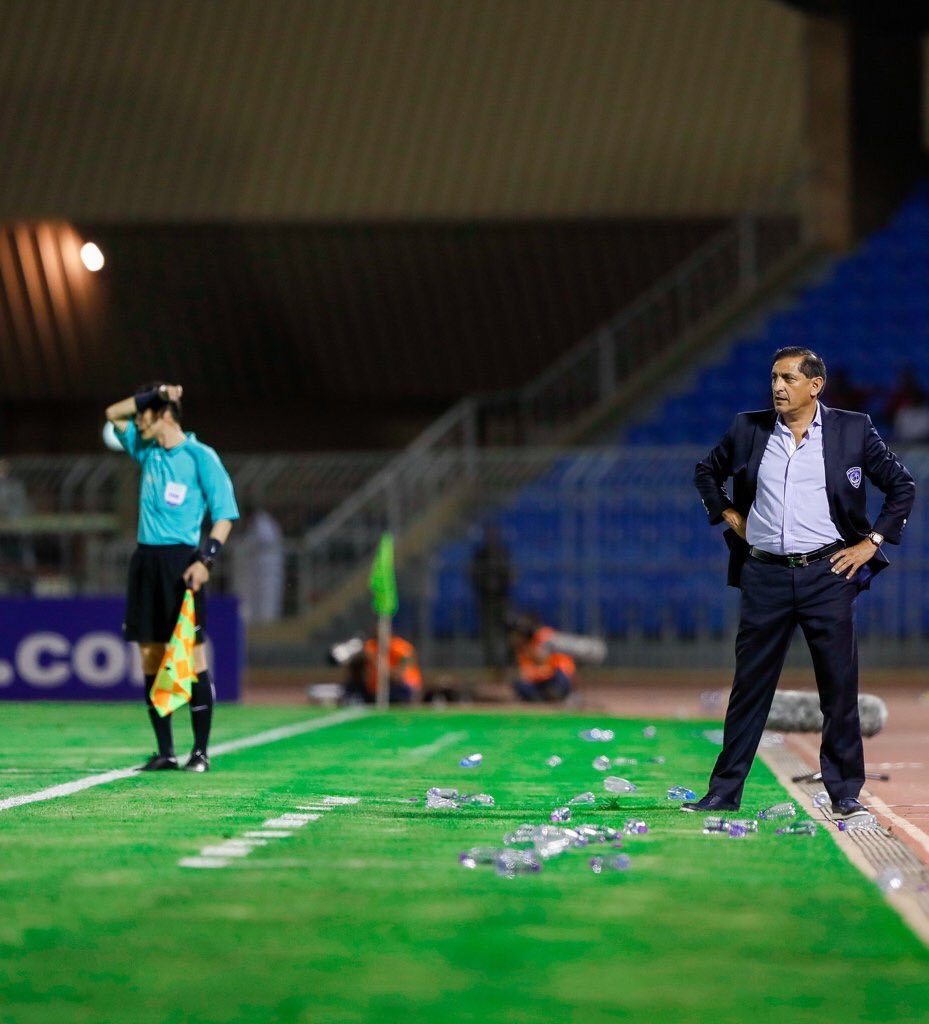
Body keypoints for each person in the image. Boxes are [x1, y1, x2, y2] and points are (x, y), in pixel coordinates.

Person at [689, 347, 915, 818]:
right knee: (749, 688)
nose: (777, 386)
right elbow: (706, 471)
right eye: (773, 377)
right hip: (765, 575)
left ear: (815, 386)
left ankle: (845, 792)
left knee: (838, 687)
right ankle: (723, 792)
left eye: (788, 378)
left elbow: (902, 486)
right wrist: (730, 514)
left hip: (829, 575)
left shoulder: (852, 429)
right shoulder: (748, 428)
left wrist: (872, 542)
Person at [105, 382, 239, 772]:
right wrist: (154, 391)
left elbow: (225, 513)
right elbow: (113, 412)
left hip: (182, 563)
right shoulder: (146, 450)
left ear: (163, 415)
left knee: (190, 654)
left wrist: (206, 560)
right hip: (145, 562)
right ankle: (165, 751)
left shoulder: (200, 456)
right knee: (150, 656)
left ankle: (200, 752)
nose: (136, 420)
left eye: (143, 412)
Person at [470, 523, 513, 676]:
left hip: (501, 599)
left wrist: (500, 585)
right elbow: (473, 575)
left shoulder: (503, 553)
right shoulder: (481, 555)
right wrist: (486, 584)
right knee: (489, 634)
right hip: (486, 600)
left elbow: (510, 575)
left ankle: (507, 664)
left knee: (507, 632)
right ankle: (490, 664)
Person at [341, 630, 422, 704]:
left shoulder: (398, 647)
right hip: (376, 688)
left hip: (400, 687)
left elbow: (398, 675)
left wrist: (380, 665)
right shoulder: (371, 646)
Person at [508, 614, 575, 702]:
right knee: (520, 685)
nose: (513, 638)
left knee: (560, 680)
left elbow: (548, 664)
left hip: (556, 677)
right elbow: (525, 673)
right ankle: (542, 699)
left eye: (517, 634)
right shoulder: (521, 650)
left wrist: (536, 658)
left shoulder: (543, 636)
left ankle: (560, 696)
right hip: (539, 681)